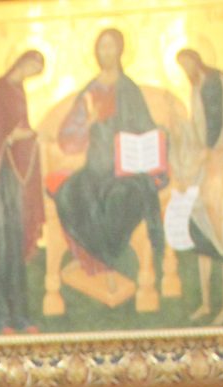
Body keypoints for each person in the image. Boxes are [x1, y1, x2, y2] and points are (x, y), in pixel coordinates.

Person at [51, 28, 166, 308]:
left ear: (120, 50)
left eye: (111, 46)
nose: (106, 52)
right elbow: (67, 138)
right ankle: (96, 266)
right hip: (95, 169)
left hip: (126, 171)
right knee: (69, 194)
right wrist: (88, 123)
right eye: (101, 47)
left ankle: (107, 263)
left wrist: (156, 138)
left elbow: (147, 127)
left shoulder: (129, 90)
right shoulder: (90, 92)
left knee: (119, 200)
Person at [174, 49, 223, 324]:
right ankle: (206, 303)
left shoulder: (219, 84)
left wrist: (213, 148)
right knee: (202, 233)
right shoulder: (197, 89)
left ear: (197, 61)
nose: (186, 70)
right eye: (182, 67)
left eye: (187, 64)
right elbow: (199, 130)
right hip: (209, 167)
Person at [0, 50, 46, 335]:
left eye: (36, 72)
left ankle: (18, 317)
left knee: (13, 246)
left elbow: (18, 132)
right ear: (21, 62)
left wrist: (28, 138)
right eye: (32, 67)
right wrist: (12, 137)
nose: (31, 74)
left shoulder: (18, 92)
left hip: (11, 178)